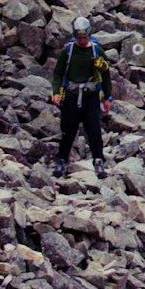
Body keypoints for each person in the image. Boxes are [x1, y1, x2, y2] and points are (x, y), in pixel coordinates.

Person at [52, 14, 111, 178]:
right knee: (67, 130)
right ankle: (62, 161)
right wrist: (57, 92)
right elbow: (58, 73)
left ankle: (99, 161)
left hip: (90, 96)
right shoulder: (68, 51)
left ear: (89, 35)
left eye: (85, 37)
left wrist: (108, 97)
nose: (83, 40)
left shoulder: (96, 51)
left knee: (93, 130)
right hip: (70, 95)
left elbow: (106, 75)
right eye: (79, 37)